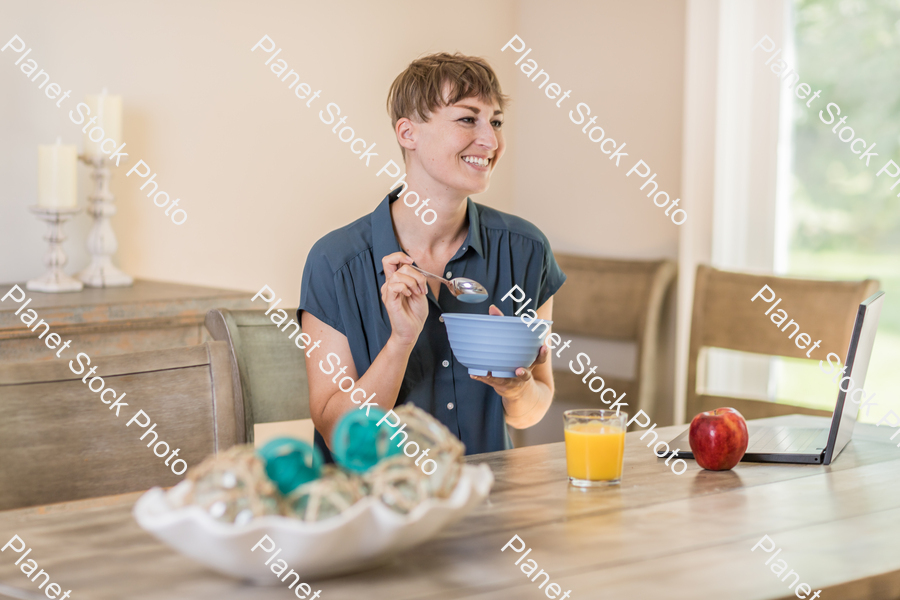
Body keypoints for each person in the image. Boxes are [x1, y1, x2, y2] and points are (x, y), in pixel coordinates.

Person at [298, 52, 566, 460]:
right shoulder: (335, 263)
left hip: (485, 503)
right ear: (408, 133)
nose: (491, 141)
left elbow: (531, 410)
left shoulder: (526, 250)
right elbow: (340, 436)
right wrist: (400, 343)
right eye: (467, 119)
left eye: (494, 121)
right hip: (375, 507)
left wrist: (518, 388)